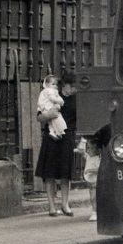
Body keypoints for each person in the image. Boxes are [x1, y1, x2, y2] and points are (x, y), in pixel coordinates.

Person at [35, 71, 78, 216]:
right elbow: (39, 117)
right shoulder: (51, 94)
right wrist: (49, 115)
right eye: (71, 86)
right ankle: (52, 207)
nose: (73, 89)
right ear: (64, 85)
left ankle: (65, 204)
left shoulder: (76, 99)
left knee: (66, 172)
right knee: (50, 172)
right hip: (51, 136)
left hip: (67, 136)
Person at [74, 133, 101, 221]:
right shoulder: (89, 157)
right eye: (88, 148)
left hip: (97, 181)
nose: (88, 150)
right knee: (92, 197)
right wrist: (80, 148)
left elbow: (99, 169)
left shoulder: (98, 158)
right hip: (90, 181)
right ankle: (94, 211)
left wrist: (92, 171)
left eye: (91, 148)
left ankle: (96, 212)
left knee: (95, 197)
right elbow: (83, 153)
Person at [37, 74, 67, 140]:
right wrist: (60, 101)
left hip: (46, 108)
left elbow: (57, 97)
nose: (55, 86)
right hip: (48, 107)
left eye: (56, 84)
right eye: (53, 84)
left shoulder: (49, 91)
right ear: (47, 84)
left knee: (51, 122)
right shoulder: (48, 90)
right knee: (56, 118)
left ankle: (52, 132)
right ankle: (59, 130)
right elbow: (52, 98)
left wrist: (60, 100)